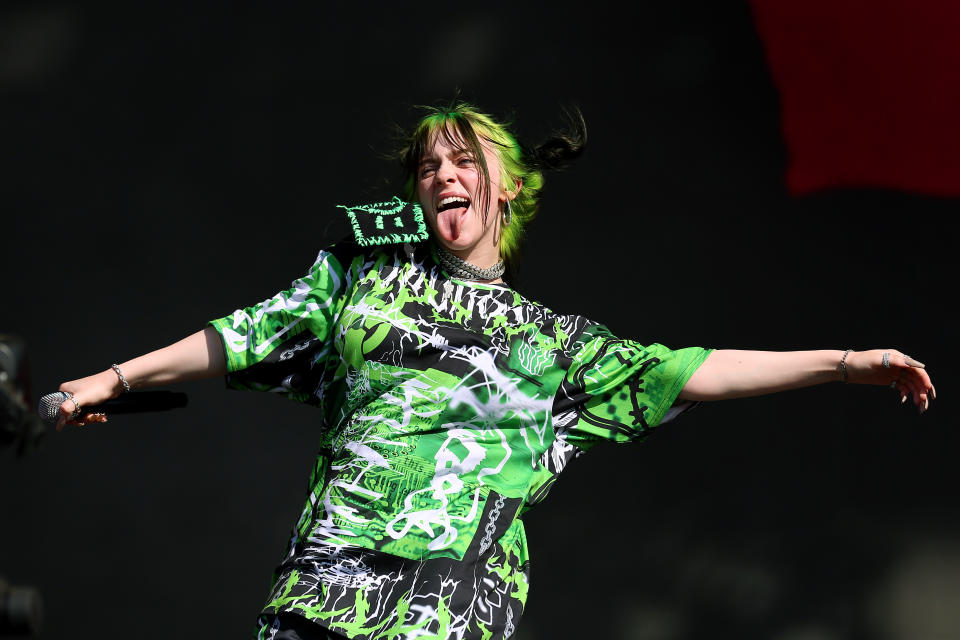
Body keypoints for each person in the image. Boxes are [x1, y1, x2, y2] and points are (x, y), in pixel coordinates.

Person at [54, 102, 936, 640]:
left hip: (449, 609)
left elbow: (689, 372)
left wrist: (845, 363)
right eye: (428, 165)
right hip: (319, 592)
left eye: (462, 159)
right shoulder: (363, 277)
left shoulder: (553, 345)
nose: (442, 172)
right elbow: (245, 333)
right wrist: (112, 378)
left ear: (505, 186)